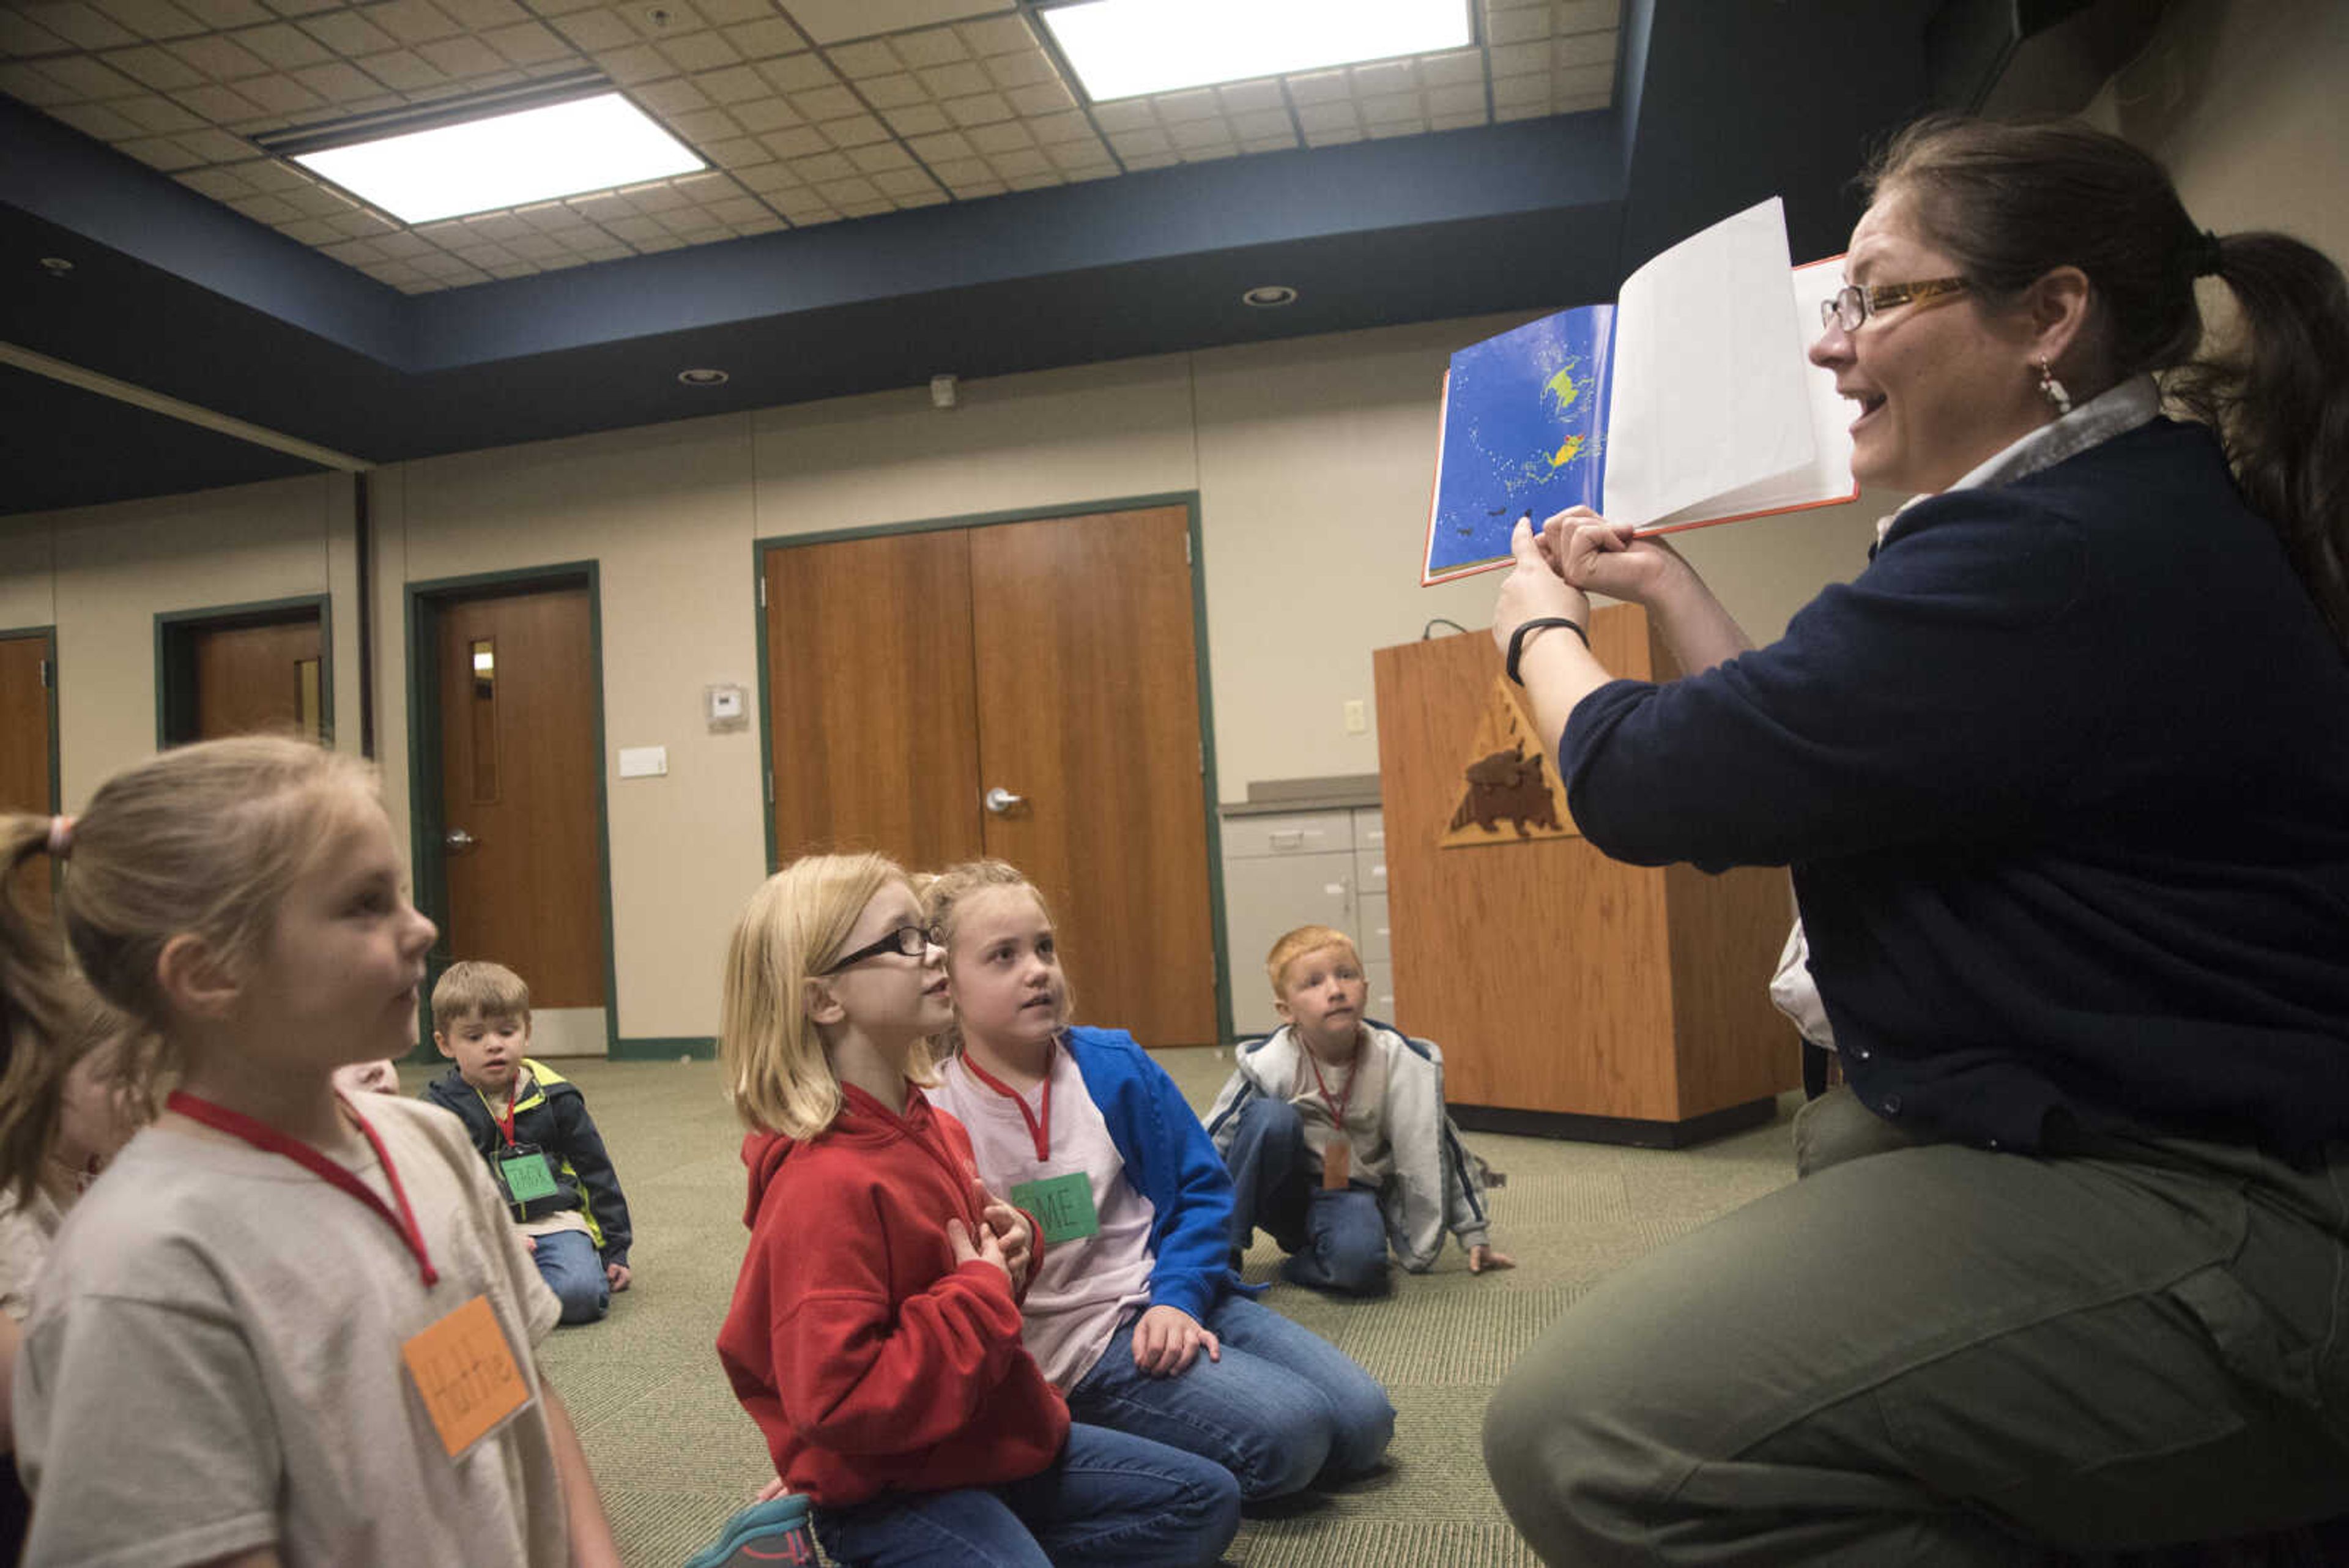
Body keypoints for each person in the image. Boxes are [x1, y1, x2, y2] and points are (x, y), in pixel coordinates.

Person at [1479, 114, 2349, 1564]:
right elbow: (1805, 762)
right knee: (1848, 1140)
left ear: (2047, 318)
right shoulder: (2105, 514)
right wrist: (1672, 594)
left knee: (1590, 1438)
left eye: (1879, 298)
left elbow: (1646, 782)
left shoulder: (2051, 555)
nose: (1833, 346)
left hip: (2228, 1196)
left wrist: (1541, 637)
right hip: (2121, 1126)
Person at [0, 735, 618, 1567]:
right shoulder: (141, 1268)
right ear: (209, 972)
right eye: (365, 903)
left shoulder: (429, 1137)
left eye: (400, 889)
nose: (422, 924)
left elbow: (523, 1399)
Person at [710, 851, 1239, 1568]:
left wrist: (1014, 1252)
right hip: (886, 1482)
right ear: (825, 999)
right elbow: (838, 1403)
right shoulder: (822, 1185)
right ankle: (820, 1543)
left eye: (925, 934)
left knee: (1204, 1501)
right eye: (903, 940)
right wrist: (981, 1292)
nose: (931, 952)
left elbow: (968, 1282)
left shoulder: (931, 1122)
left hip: (980, 1434)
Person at [921, 860, 1394, 1505]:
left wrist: (1178, 1298)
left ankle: (1170, 1418)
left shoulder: (1113, 1065)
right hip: (1076, 1349)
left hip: (1171, 1293)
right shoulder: (935, 1109)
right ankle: (1092, 1433)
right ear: (946, 984)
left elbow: (1201, 1193)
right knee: (1295, 1437)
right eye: (1002, 956)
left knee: (1365, 1423)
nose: (1037, 970)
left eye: (1044, 947)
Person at [1204, 924, 1510, 1296]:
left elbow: (1443, 1148)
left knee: (1363, 1272)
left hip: (1347, 1191)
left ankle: (1303, 1261)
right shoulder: (1269, 1064)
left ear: (1364, 988)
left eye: (1346, 975)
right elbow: (1210, 1143)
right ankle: (1222, 1254)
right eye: (1313, 983)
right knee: (1271, 1118)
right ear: (1286, 1011)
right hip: (1278, 1188)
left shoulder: (1400, 1063)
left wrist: (1473, 1232)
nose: (1335, 991)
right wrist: (1178, 1231)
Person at [0, 981, 147, 1563]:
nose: (138, 1096)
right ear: (46, 1083)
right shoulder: (14, 1200)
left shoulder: (96, 1171)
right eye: (116, 1077)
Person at [420, 960, 634, 1326]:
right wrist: (491, 1236)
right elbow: (434, 1192)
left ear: (527, 1031)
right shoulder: (438, 1108)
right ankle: (515, 1289)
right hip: (481, 1233)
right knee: (432, 1302)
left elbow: (596, 1170)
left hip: (552, 1221)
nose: (494, 1046)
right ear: (445, 1044)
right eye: (474, 1037)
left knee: (580, 1296)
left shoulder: (557, 1096)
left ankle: (519, 1293)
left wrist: (616, 1248)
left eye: (507, 1031)